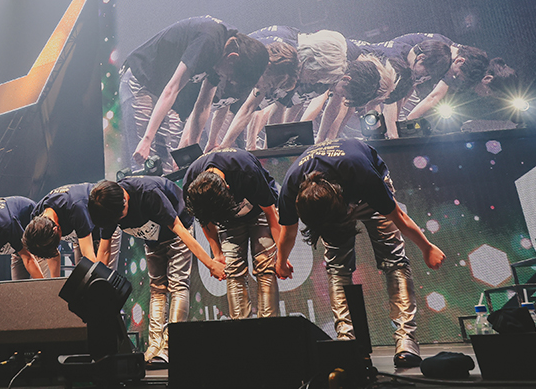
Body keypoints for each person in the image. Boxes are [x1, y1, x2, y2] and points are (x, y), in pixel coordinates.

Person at [275, 139, 446, 368]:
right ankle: (346, 341)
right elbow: (288, 232)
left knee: (393, 260)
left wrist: (427, 247)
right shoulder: (291, 188)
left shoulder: (363, 175)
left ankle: (406, 340)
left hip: (365, 192)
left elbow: (399, 218)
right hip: (329, 205)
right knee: (337, 268)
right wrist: (281, 260)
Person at [88, 176, 224, 363]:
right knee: (157, 289)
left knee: (178, 285)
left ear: (125, 200)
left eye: (120, 217)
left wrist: (210, 263)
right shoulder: (107, 206)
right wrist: (95, 286)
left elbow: (179, 229)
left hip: (177, 232)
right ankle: (154, 346)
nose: (119, 221)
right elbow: (104, 250)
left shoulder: (148, 193)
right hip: (152, 241)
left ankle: (170, 346)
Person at [119, 16, 269, 172]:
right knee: (144, 161)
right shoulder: (209, 40)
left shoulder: (223, 53)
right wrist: (147, 139)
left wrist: (193, 152)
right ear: (232, 58)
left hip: (160, 92)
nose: (227, 79)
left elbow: (203, 105)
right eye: (230, 76)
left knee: (164, 164)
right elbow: (172, 88)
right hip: (142, 81)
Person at [183, 148, 284, 319]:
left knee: (265, 264)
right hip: (228, 220)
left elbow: (270, 213)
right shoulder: (191, 185)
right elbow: (205, 221)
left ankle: (269, 327)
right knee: (233, 269)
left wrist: (281, 254)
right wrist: (217, 254)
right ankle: (240, 328)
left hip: (259, 211)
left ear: (228, 188)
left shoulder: (246, 170)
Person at [22, 183, 100, 277]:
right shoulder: (37, 219)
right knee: (82, 275)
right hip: (80, 232)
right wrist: (55, 283)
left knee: (102, 272)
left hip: (104, 218)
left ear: (56, 229)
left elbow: (88, 254)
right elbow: (52, 255)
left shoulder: (75, 208)